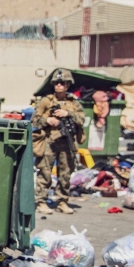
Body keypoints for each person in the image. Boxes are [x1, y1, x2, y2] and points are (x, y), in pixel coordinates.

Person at [33, 69, 85, 215]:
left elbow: (82, 119)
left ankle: (62, 201)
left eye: (62, 83)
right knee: (45, 172)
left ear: (68, 85)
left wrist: (68, 114)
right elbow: (35, 120)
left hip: (66, 142)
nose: (59, 85)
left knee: (66, 173)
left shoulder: (73, 103)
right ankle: (41, 201)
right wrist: (48, 120)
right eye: (56, 83)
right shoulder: (46, 101)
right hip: (49, 141)